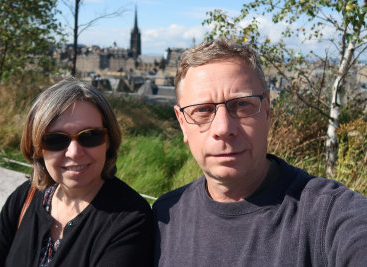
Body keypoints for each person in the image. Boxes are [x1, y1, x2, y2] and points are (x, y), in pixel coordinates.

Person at [152, 38, 367, 266]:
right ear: (182, 123)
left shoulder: (328, 215)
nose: (224, 128)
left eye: (242, 104)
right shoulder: (164, 215)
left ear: (266, 112)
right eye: (203, 110)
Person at [0, 79, 154, 267]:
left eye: (90, 136)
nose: (74, 152)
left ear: (108, 141)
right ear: (37, 148)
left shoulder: (129, 219)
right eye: (55, 140)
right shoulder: (25, 197)